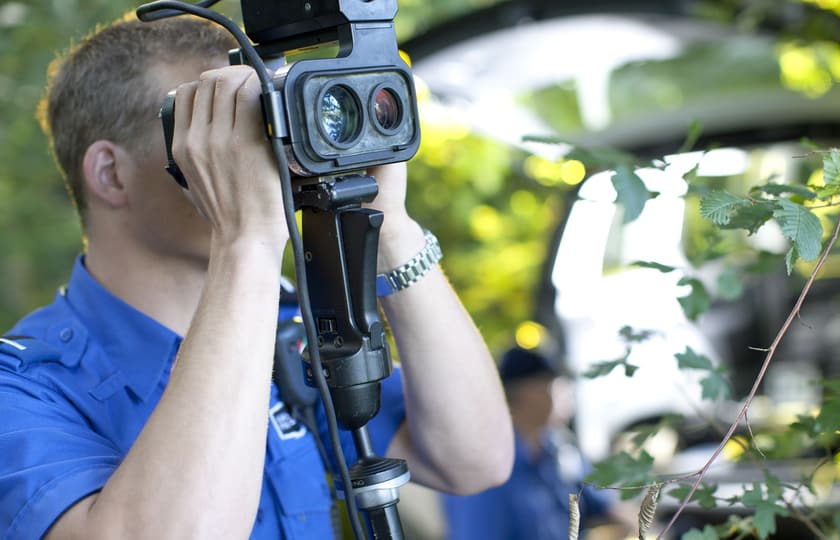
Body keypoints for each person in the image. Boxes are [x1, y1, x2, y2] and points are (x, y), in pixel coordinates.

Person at [0, 13, 513, 540]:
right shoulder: (21, 392)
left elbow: (473, 460)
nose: (262, 148)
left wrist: (390, 223)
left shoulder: (289, 334)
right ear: (111, 174)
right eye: (216, 127)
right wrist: (247, 239)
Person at [442, 347, 632, 540]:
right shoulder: (485, 468)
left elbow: (606, 505)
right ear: (525, 392)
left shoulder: (559, 448)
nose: (566, 391)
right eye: (552, 383)